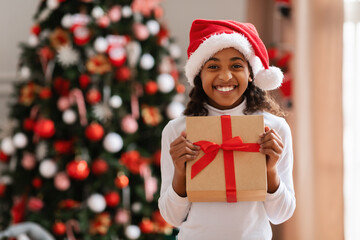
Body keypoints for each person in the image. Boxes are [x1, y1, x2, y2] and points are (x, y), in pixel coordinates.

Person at [158, 19, 295, 240]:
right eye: (213, 66)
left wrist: (270, 171)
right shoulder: (177, 131)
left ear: (251, 73)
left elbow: (281, 214)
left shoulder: (274, 129)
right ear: (199, 74)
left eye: (236, 66)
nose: (225, 76)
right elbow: (172, 218)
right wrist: (181, 172)